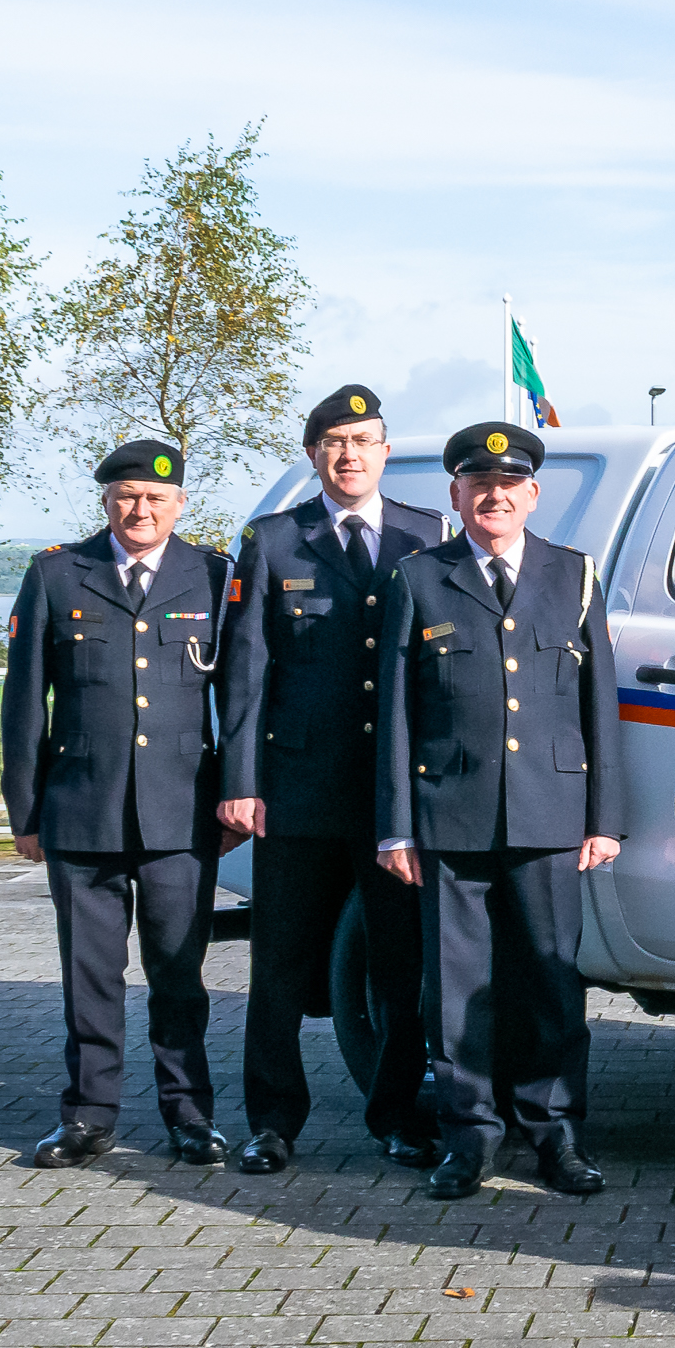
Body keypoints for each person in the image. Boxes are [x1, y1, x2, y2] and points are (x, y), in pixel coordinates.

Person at [375, 423, 626, 1201]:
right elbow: (395, 713)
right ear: (455, 496)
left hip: (553, 815)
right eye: (478, 486)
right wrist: (395, 825)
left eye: (508, 485)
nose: (494, 497)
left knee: (551, 986)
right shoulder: (421, 579)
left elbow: (598, 704)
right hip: (449, 814)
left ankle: (556, 1139)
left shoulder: (573, 575)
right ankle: (468, 1140)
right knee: (454, 993)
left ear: (531, 495)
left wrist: (604, 817)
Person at [216, 383, 454, 1176]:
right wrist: (241, 781)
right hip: (297, 790)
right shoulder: (275, 541)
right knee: (280, 964)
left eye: (365, 441)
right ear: (315, 454)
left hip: (394, 793)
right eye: (335, 443)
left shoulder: (429, 535)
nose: (350, 455)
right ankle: (273, 1122)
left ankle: (397, 1117)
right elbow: (246, 676)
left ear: (386, 451)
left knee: (398, 966)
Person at [0, 438, 234, 1170]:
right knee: (91, 975)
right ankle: (88, 1117)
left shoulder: (215, 576)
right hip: (82, 810)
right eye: (127, 496)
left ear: (180, 505)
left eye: (156, 499)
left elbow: (239, 702)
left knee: (178, 975)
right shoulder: (57, 574)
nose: (141, 509)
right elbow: (22, 705)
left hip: (180, 816)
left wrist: (229, 802)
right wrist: (27, 812)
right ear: (106, 502)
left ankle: (190, 1116)